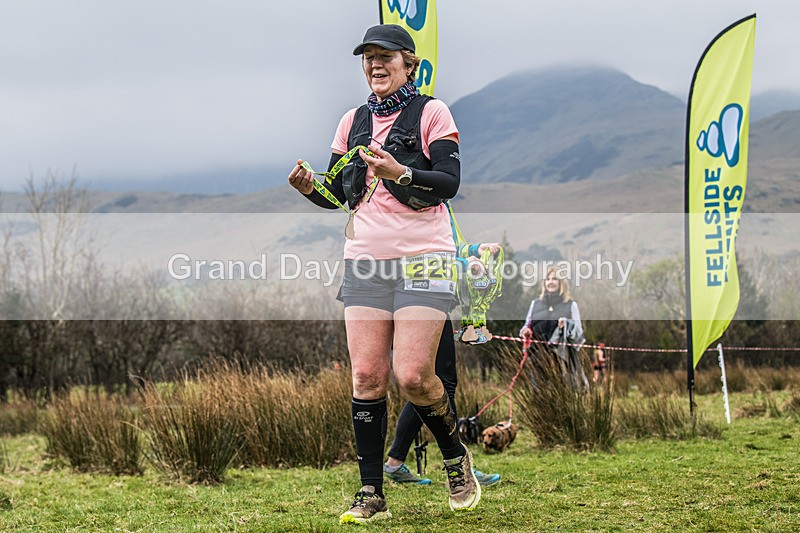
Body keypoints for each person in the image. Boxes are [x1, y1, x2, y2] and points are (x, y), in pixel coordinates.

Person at [288, 24, 479, 525]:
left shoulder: (432, 112)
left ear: (408, 64)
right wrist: (310, 187)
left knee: (414, 375)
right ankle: (370, 491)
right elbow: (338, 196)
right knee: (367, 376)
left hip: (425, 257)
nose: (375, 65)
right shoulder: (350, 122)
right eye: (368, 58)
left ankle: (456, 458)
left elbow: (450, 183)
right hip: (365, 261)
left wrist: (401, 173)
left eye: (385, 56)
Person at [519, 266, 589, 390]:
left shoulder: (571, 305)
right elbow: (527, 325)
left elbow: (579, 334)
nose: (550, 282)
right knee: (538, 396)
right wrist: (525, 331)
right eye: (548, 279)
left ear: (561, 283)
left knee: (563, 395)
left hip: (562, 361)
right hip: (537, 358)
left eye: (555, 279)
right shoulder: (535, 304)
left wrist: (567, 325)